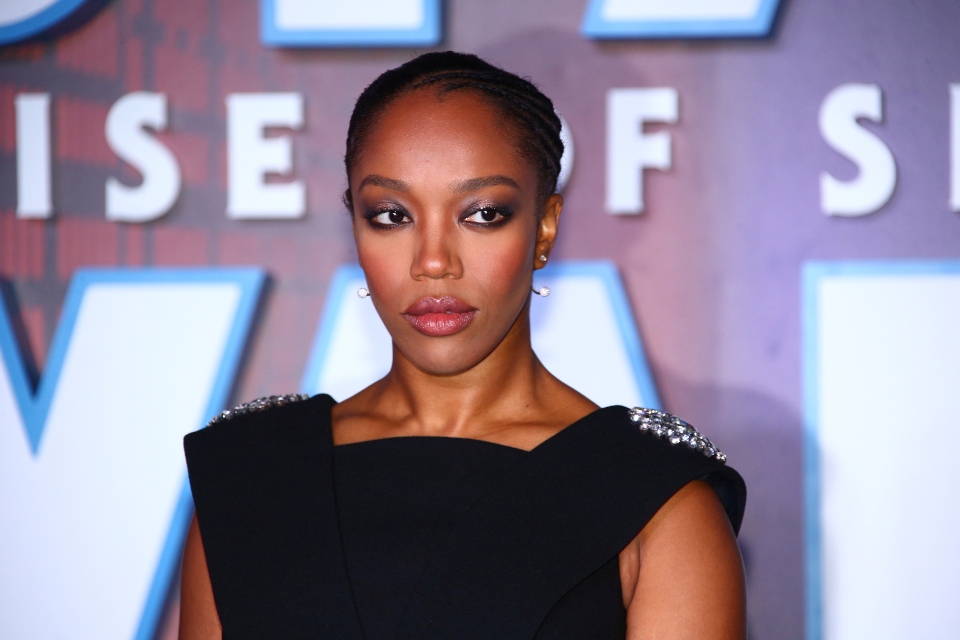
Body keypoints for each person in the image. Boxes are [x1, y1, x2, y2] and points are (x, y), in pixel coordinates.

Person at [179, 51, 746, 640]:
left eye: (482, 214)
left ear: (544, 227)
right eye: (391, 215)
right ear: (355, 227)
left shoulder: (654, 500)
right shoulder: (253, 476)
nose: (432, 262)